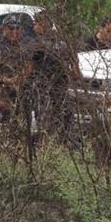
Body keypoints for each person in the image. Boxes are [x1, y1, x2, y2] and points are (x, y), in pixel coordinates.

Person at [30, 9, 73, 141]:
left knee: (45, 119)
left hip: (45, 86)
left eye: (36, 23)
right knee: (61, 117)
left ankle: (48, 144)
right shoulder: (62, 41)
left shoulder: (37, 43)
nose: (34, 26)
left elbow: (30, 64)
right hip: (60, 86)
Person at [0, 13, 34, 124]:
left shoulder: (24, 46)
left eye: (17, 28)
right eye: (11, 28)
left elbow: (29, 66)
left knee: (23, 124)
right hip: (4, 92)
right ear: (4, 29)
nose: (15, 31)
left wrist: (19, 78)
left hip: (22, 92)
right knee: (2, 125)